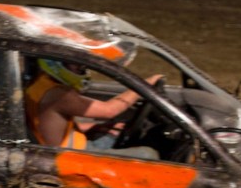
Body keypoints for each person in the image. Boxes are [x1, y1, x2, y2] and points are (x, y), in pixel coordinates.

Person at [24, 58, 164, 155]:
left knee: (114, 133)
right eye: (74, 65)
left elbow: (52, 125)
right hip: (72, 156)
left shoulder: (40, 84)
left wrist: (94, 128)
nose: (80, 69)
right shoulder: (59, 95)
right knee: (148, 154)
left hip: (71, 145)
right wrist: (145, 85)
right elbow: (110, 110)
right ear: (55, 63)